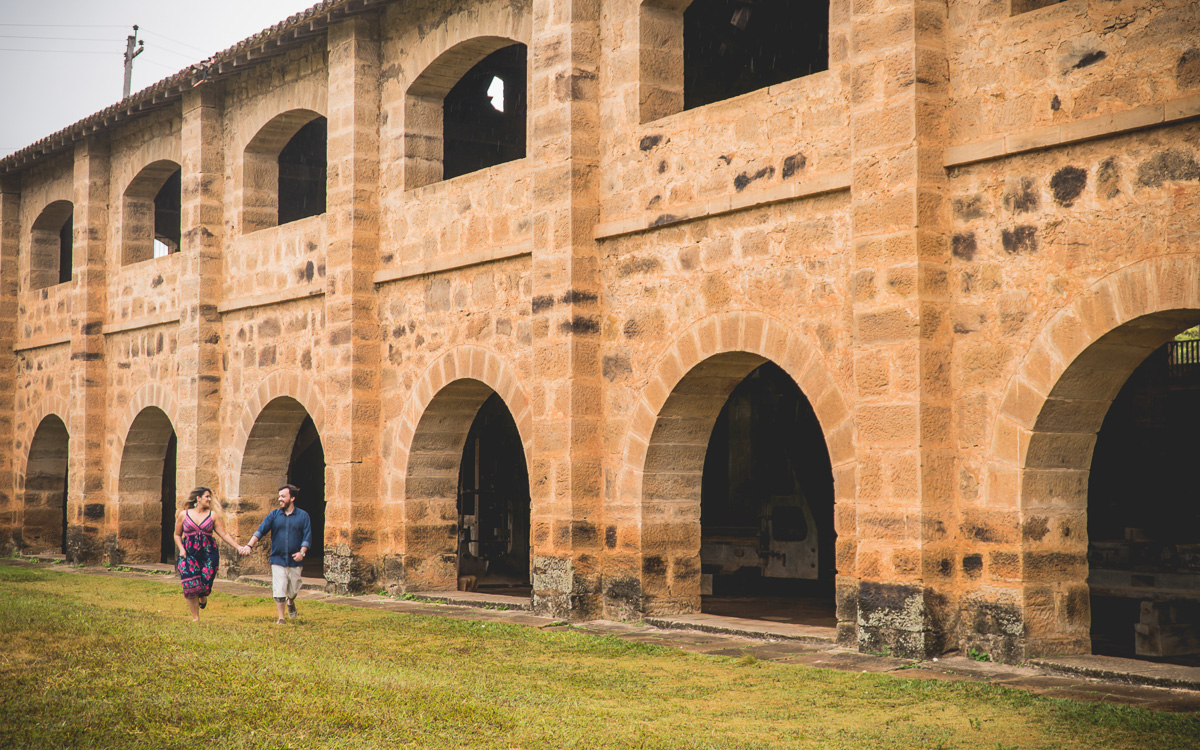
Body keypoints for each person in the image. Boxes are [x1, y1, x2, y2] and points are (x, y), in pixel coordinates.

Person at [173, 487, 250, 623]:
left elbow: (224, 534)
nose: (209, 499)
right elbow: (177, 534)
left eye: (209, 497)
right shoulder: (184, 514)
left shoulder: (212, 515)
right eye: (207, 496)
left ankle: (203, 595)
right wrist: (181, 549)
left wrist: (238, 547)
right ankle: (195, 617)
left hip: (208, 554)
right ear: (198, 498)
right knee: (190, 585)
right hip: (188, 554)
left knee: (205, 585)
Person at [245, 483, 311, 624]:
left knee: (293, 589)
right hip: (278, 559)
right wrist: (249, 545)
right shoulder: (274, 515)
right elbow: (260, 531)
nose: (279, 499)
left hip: (295, 560)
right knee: (279, 587)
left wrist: (302, 553)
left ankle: (290, 601)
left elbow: (307, 537)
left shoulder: (303, 516)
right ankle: (281, 618)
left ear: (292, 498)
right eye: (279, 496)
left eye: (283, 496)